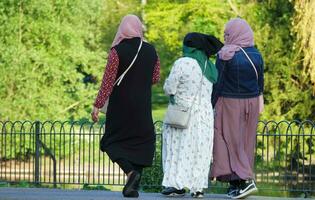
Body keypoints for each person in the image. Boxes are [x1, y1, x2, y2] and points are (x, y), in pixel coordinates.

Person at [91, 14, 160, 198]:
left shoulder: (117, 51)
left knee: (110, 141)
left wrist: (97, 105)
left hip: (120, 106)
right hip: (142, 106)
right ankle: (132, 183)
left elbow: (108, 80)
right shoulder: (151, 50)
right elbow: (155, 78)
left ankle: (130, 172)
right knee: (141, 142)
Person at [161, 32, 223, 198]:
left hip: (184, 113)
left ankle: (176, 185)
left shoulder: (182, 62)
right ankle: (198, 188)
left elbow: (170, 88)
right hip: (204, 115)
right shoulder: (209, 66)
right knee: (200, 150)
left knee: (178, 148)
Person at [211, 18, 264, 199]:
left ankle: (247, 180)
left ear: (234, 34)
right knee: (245, 142)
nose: (225, 36)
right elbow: (260, 83)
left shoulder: (225, 54)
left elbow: (218, 84)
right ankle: (236, 184)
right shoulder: (256, 54)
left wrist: (210, 105)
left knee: (227, 140)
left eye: (227, 33)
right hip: (252, 103)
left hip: (229, 102)